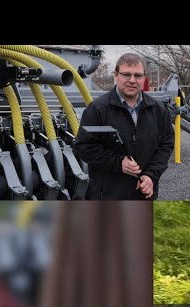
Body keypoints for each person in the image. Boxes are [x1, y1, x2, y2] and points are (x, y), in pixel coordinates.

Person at [75, 53, 175, 200]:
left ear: (144, 78)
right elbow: (84, 147)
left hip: (144, 194)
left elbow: (166, 145)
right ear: (116, 75)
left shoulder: (158, 110)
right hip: (108, 195)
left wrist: (150, 176)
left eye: (138, 75)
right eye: (126, 74)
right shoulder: (98, 109)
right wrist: (118, 163)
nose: (132, 80)